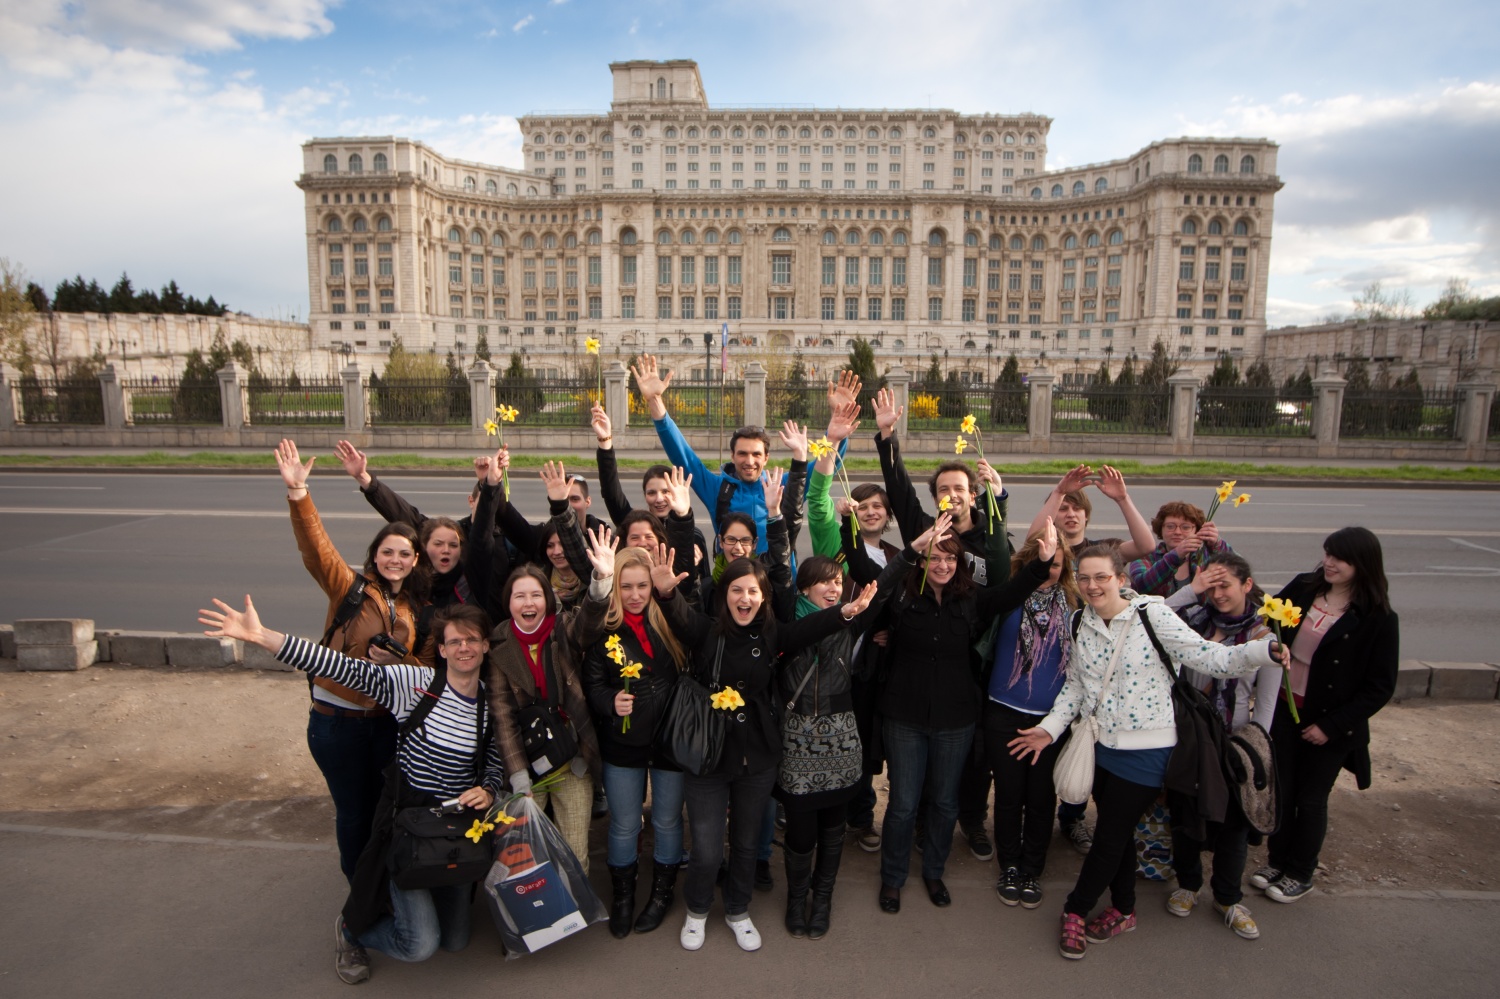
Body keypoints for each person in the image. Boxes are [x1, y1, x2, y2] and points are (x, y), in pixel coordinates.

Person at [198, 597, 503, 984]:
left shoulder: (492, 702)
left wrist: (489, 790)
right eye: (455, 641)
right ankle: (351, 928)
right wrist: (262, 637)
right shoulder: (416, 683)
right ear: (441, 649)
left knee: (456, 941)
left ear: (485, 646)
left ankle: (410, 901)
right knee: (420, 945)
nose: (464, 648)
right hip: (409, 827)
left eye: (472, 640)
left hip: (455, 830)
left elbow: (495, 761)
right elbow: (339, 667)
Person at [1008, 544, 1288, 961]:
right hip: (1100, 746)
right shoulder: (1080, 620)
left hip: (1148, 752)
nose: (1091, 585)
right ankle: (1123, 909)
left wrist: (1260, 652)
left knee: (1108, 836)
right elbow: (1078, 685)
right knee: (1115, 833)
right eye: (1084, 577)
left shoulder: (1152, 615)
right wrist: (1049, 730)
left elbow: (1209, 656)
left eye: (1101, 576)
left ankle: (1076, 909)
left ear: (1121, 579)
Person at [653, 543, 881, 953]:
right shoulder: (708, 632)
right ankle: (698, 911)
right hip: (708, 754)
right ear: (725, 596)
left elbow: (806, 631)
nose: (745, 598)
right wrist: (667, 594)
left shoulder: (772, 632)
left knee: (745, 842)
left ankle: (738, 910)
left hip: (756, 755)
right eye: (737, 590)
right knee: (705, 848)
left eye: (753, 592)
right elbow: (680, 619)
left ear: (764, 598)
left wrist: (845, 613)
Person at [875, 513, 1056, 915]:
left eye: (950, 559)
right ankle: (892, 877)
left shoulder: (971, 598)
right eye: (935, 558)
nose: (942, 566)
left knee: (944, 802)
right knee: (903, 804)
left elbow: (1011, 593)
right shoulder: (903, 597)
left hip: (955, 720)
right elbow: (877, 589)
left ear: (959, 564)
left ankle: (934, 871)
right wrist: (910, 551)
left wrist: (1043, 564)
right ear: (923, 561)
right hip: (904, 716)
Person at [275, 439, 435, 885]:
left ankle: (380, 882)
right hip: (337, 723)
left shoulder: (410, 610)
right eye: (388, 552)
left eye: (405, 553)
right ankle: (358, 894)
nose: (396, 559)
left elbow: (422, 670)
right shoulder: (348, 586)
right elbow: (316, 549)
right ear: (375, 555)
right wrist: (298, 494)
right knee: (352, 813)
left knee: (384, 807)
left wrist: (398, 657)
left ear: (415, 559)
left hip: (385, 724)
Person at [870, 386, 1011, 863]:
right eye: (944, 490)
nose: (952, 496)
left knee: (970, 760)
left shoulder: (992, 535)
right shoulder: (927, 531)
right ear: (936, 499)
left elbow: (1006, 583)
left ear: (973, 495)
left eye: (960, 489)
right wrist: (888, 435)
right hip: (925, 664)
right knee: (919, 770)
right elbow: (899, 490)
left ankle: (967, 822)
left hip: (979, 667)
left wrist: (1001, 499)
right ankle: (918, 830)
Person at [1253, 527, 1399, 904]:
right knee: (1281, 790)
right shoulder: (1305, 587)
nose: (1330, 563)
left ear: (1362, 565)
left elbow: (1379, 687)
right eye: (1328, 554)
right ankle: (1276, 861)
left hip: (1331, 723)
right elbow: (1266, 615)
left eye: (1341, 558)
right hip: (1288, 710)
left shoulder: (1377, 617)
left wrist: (1331, 727)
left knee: (1312, 798)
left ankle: (1300, 872)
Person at [776, 551, 906, 939]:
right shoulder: (786, 617)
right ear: (803, 588)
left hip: (841, 738)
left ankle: (824, 897)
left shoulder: (851, 616)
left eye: (838, 581)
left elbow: (882, 587)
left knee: (833, 827)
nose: (835, 588)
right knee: (800, 831)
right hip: (797, 740)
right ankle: (796, 899)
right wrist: (781, 517)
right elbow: (783, 566)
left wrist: (914, 549)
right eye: (825, 581)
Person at [1162, 553, 1282, 939]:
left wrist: (1249, 752)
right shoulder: (1193, 622)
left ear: (1247, 585)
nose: (1217, 594)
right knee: (1185, 816)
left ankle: (1228, 897)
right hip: (1191, 740)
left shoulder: (1264, 639)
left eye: (1225, 585)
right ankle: (1188, 884)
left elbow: (1265, 706)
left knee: (1233, 826)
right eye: (1211, 586)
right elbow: (1153, 617)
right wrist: (1191, 590)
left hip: (1234, 745)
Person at [486, 523, 618, 876]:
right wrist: (518, 778)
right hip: (527, 766)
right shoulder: (498, 648)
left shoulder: (563, 629)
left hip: (572, 761)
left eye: (535, 595)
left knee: (575, 854)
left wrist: (602, 580)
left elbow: (590, 624)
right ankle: (535, 916)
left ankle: (570, 914)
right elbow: (502, 717)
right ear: (508, 602)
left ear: (547, 599)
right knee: (526, 854)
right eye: (519, 596)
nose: (528, 603)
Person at [629, 354, 850, 554]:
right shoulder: (717, 489)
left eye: (756, 454)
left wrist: (834, 436)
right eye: (742, 454)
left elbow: (824, 469)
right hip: (732, 586)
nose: (749, 461)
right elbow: (683, 457)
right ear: (732, 456)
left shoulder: (783, 487)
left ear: (766, 458)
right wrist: (655, 402)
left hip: (778, 586)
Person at [583, 541, 693, 937]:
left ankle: (661, 895)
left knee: (666, 821)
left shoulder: (668, 620)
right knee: (625, 824)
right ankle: (623, 895)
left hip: (668, 739)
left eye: (641, 586)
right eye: (625, 587)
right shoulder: (603, 633)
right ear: (615, 589)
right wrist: (611, 701)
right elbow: (591, 685)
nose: (634, 595)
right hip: (622, 744)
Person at [984, 531, 1079, 912]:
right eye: (1042, 563)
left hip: (1051, 722)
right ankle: (1008, 865)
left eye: (1055, 564)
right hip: (1003, 713)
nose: (1048, 570)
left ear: (1064, 568)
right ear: (1025, 562)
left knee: (1041, 800)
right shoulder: (1009, 599)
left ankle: (1031, 869)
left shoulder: (1075, 606)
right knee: (1008, 797)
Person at [334, 439, 515, 603]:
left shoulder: (504, 543)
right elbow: (402, 512)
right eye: (438, 544)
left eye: (453, 545)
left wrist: (490, 482)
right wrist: (364, 479)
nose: (446, 550)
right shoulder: (418, 589)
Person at [589, 402, 710, 580]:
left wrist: (695, 567)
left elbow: (704, 582)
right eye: (652, 493)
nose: (659, 498)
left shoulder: (691, 534)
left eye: (666, 491)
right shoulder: (632, 523)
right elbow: (611, 492)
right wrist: (605, 441)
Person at [1026, 463, 1157, 558]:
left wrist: (1123, 499)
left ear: (1086, 515)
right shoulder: (1046, 551)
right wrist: (1058, 493)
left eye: (1077, 509)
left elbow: (1146, 547)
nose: (1071, 514)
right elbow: (1032, 541)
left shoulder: (1103, 550)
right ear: (1053, 516)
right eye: (1063, 509)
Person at [1127, 501, 1233, 598]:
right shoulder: (1146, 555)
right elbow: (1140, 586)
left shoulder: (1205, 554)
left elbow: (1239, 571)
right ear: (1161, 529)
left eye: (1185, 527)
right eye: (1170, 526)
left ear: (1197, 530)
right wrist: (1175, 556)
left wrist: (1217, 544)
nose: (1177, 532)